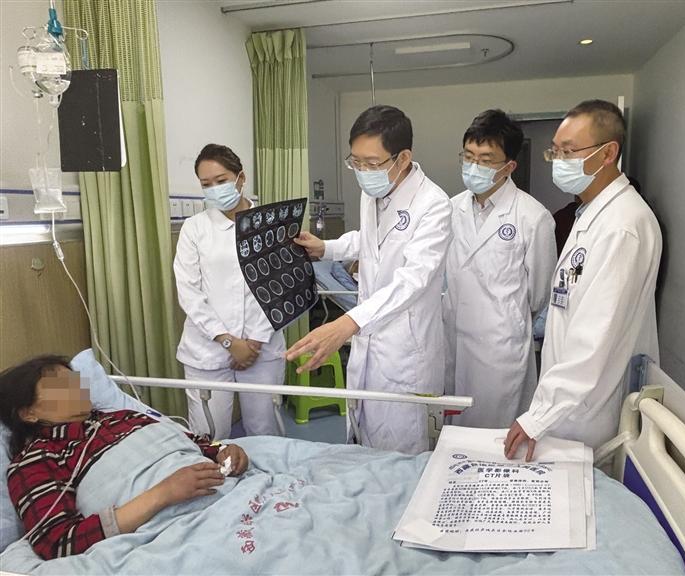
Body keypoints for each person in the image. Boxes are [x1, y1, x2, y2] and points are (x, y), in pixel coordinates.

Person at [286, 105, 452, 454]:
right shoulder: (373, 191)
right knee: (363, 442)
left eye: (372, 163)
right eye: (356, 162)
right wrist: (327, 248)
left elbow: (413, 280)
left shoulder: (433, 205)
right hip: (370, 341)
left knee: (402, 453)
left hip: (405, 351)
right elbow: (371, 240)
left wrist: (347, 323)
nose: (362, 172)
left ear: (403, 158)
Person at [505, 100, 662, 460]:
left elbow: (596, 336)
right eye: (555, 151)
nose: (559, 161)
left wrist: (539, 416)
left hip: (590, 409)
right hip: (572, 402)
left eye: (569, 151)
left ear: (608, 153)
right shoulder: (591, 214)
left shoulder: (622, 226)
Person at [0, 355, 247, 560]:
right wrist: (164, 493)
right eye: (59, 385)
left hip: (227, 493)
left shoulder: (123, 416)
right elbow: (58, 541)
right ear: (28, 413)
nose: (77, 387)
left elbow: (196, 443)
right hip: (176, 524)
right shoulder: (36, 460)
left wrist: (223, 451)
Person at [443, 110, 556, 428]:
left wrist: (504, 318)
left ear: (509, 166)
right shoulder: (450, 208)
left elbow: (539, 293)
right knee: (453, 431)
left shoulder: (533, 217)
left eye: (486, 159)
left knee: (494, 434)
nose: (474, 166)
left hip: (499, 347)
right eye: (468, 156)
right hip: (453, 338)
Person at [174, 144, 285, 439]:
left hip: (262, 348)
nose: (214, 189)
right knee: (209, 435)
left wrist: (254, 342)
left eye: (221, 180)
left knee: (265, 433)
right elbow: (189, 292)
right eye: (206, 184)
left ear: (241, 178)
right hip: (207, 350)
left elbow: (278, 285)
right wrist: (227, 341)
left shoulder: (271, 224)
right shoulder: (194, 229)